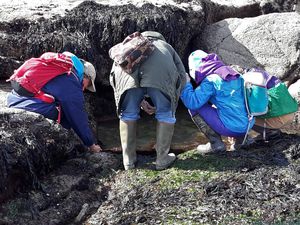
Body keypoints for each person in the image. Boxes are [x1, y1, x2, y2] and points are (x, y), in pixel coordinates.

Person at [109, 31, 186, 170]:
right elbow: (181, 75)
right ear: (159, 38)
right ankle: (162, 159)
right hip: (161, 77)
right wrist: (172, 99)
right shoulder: (165, 46)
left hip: (125, 77)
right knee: (165, 113)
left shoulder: (126, 45)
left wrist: (138, 99)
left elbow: (113, 79)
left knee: (127, 114)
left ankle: (128, 161)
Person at [6, 52, 102, 153]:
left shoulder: (59, 67)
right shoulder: (70, 79)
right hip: (25, 103)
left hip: (14, 97)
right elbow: (77, 115)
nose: (84, 89)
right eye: (88, 84)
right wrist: (91, 144)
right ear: (85, 76)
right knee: (63, 111)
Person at [180, 50, 254, 154]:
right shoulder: (232, 72)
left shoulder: (210, 80)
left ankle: (216, 144)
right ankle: (243, 139)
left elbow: (192, 102)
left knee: (194, 107)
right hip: (249, 124)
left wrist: (186, 84)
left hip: (231, 128)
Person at [231, 65, 299, 141]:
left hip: (280, 117)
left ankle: (268, 132)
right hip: (291, 112)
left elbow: (256, 109)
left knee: (240, 115)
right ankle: (271, 130)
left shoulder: (247, 82)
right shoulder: (260, 74)